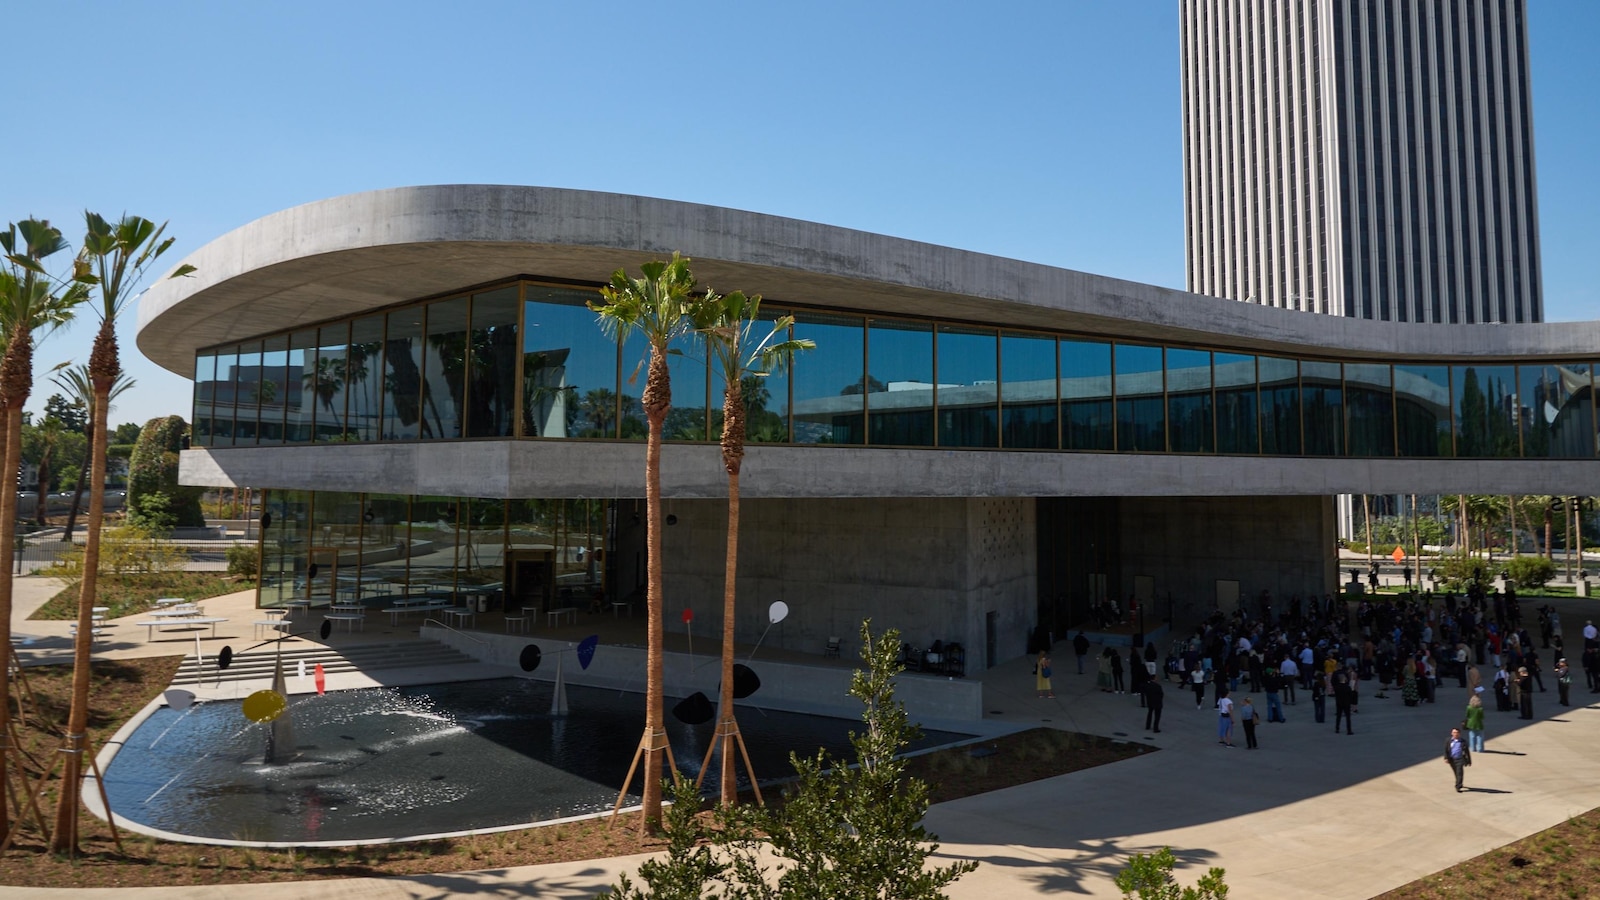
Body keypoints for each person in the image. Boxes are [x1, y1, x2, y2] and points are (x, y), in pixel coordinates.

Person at [1445, 726, 1472, 792]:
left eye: (1457, 732)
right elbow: (1446, 750)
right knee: (1456, 772)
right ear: (1451, 733)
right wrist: (1446, 758)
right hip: (1452, 759)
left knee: (1459, 772)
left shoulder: (1463, 741)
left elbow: (1466, 752)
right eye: (1454, 732)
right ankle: (1459, 782)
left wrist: (1469, 760)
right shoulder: (1448, 740)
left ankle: (1458, 786)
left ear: (1459, 734)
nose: (1455, 734)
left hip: (1460, 759)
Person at [1333, 669, 1355, 735]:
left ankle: (1337, 728)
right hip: (1346, 703)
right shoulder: (1347, 687)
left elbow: (1336, 695)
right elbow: (1351, 695)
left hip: (1339, 702)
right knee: (1348, 717)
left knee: (1338, 716)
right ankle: (1349, 730)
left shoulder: (1336, 687)